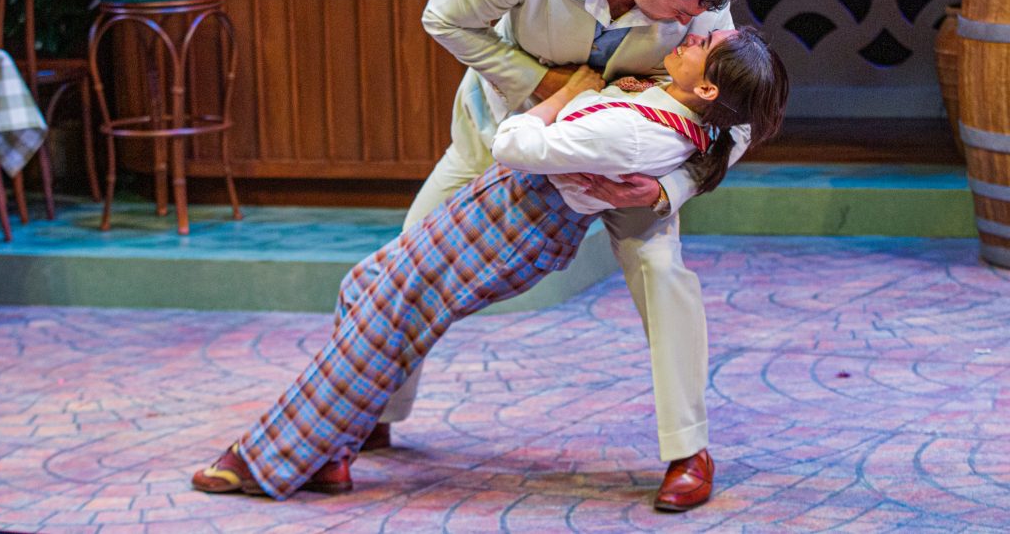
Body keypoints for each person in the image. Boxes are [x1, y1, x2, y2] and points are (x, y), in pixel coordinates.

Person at [191, 27, 790, 506]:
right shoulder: (671, 110)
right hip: (503, 211)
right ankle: (334, 447)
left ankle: (267, 457)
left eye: (705, 43)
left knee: (385, 314)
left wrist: (566, 94)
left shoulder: (637, 133)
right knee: (366, 287)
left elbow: (515, 146)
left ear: (707, 89)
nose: (694, 34)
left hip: (513, 220)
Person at [382, 0, 741, 511]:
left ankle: (689, 450)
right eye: (679, 14)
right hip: (504, 130)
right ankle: (372, 411)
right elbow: (443, 16)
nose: (690, 27)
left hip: (625, 162)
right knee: (408, 258)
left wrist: (665, 191)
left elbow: (739, 117)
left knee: (663, 272)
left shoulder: (702, 2)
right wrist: (539, 82)